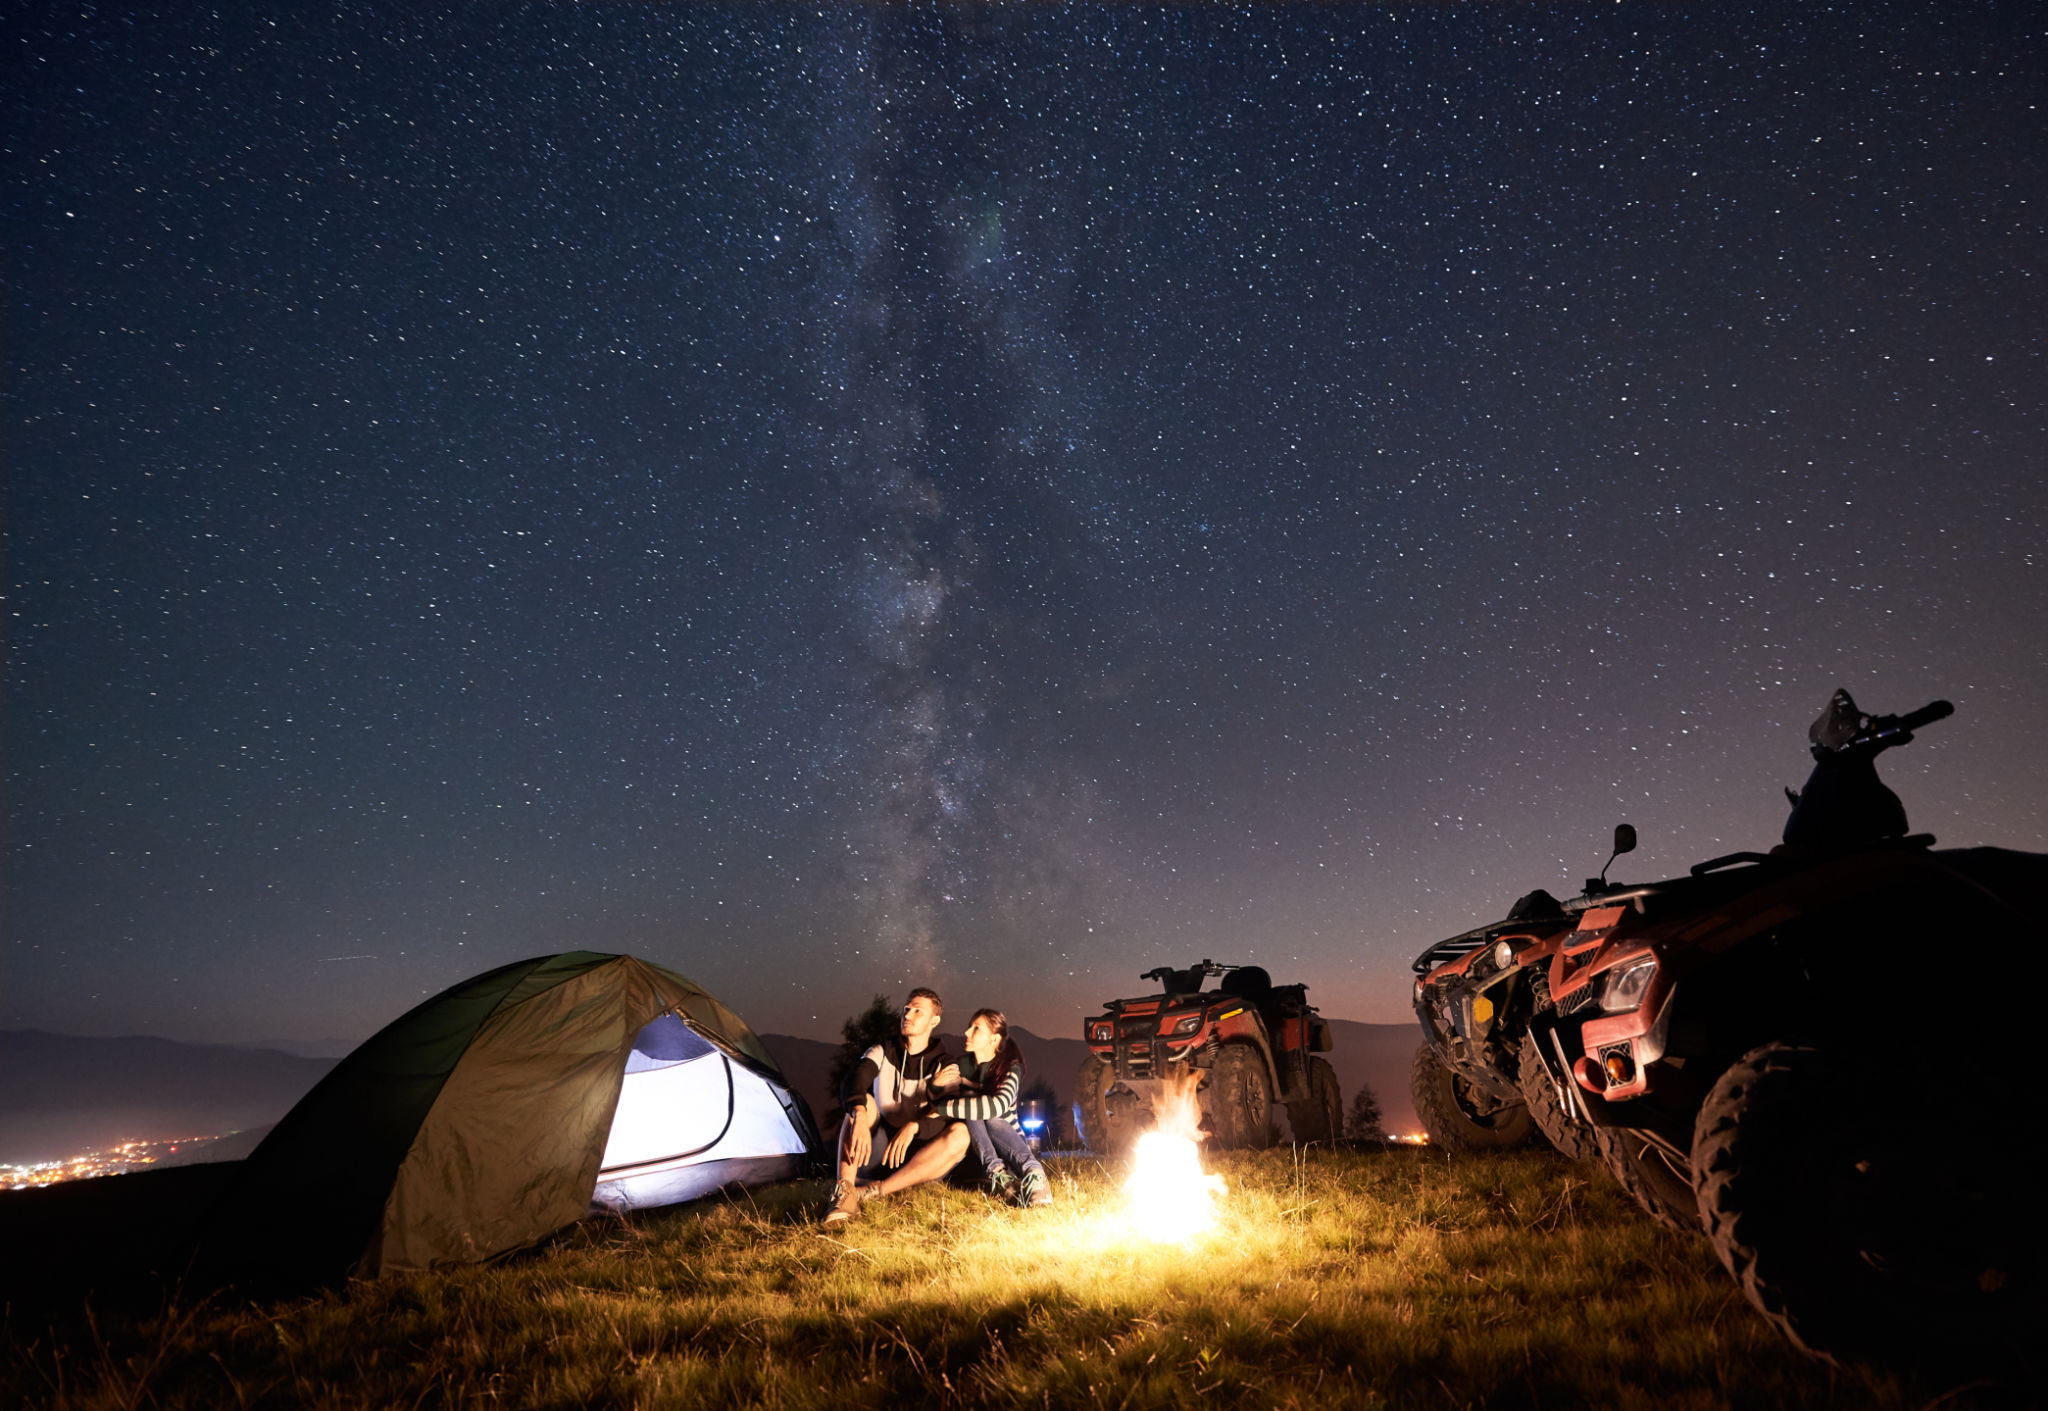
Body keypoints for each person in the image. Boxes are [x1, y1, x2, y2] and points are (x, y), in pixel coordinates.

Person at [821, 987, 971, 1226]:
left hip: (920, 1160)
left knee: (961, 1134)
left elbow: (946, 1112)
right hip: (880, 1151)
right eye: (906, 1009)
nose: (908, 1015)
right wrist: (858, 1114)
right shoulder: (883, 1049)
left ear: (934, 1020)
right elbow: (855, 1080)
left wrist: (914, 1127)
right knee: (862, 1104)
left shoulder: (945, 1064)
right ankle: (845, 1193)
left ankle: (876, 1191)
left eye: (917, 1011)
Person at [929, 1008, 1052, 1208]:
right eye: (969, 1027)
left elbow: (998, 1105)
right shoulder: (962, 1066)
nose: (967, 1033)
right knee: (970, 1104)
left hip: (1010, 1148)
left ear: (994, 1039)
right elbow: (938, 1098)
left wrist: (941, 1108)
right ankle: (998, 1177)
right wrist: (935, 1085)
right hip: (977, 1154)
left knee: (992, 1118)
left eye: (976, 1029)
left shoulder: (1010, 1068)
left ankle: (1034, 1174)